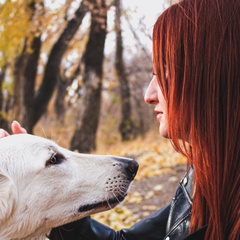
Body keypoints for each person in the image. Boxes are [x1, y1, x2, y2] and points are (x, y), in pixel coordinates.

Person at [1, 0, 239, 239]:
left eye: (164, 74)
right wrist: (46, 191)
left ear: (214, 76)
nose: (149, 95)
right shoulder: (210, 177)